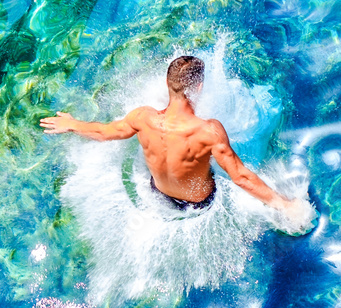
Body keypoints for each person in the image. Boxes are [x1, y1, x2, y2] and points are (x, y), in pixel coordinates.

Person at [39, 56, 295, 213]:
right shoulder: (208, 131)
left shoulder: (143, 118)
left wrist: (73, 124)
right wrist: (285, 205)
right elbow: (240, 177)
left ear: (167, 83)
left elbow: (105, 132)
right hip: (200, 203)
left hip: (158, 194)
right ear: (199, 87)